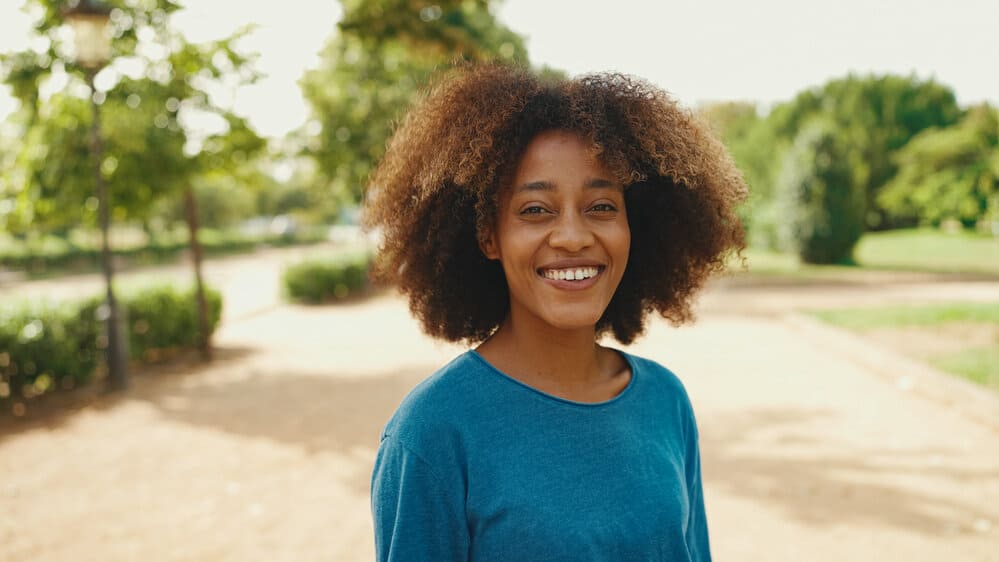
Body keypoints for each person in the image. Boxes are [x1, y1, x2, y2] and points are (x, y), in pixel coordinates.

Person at [364, 64, 746, 561]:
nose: (572, 236)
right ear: (487, 236)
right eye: (536, 210)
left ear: (637, 226)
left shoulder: (665, 402)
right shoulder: (433, 433)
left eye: (602, 206)